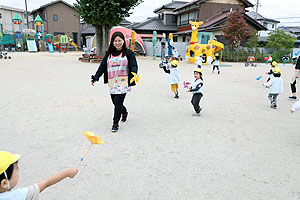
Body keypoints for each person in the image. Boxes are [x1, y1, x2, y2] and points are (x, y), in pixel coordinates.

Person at [91, 31, 138, 132]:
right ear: (112, 42)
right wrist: (96, 77)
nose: (117, 43)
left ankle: (115, 123)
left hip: (123, 82)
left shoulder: (128, 53)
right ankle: (124, 112)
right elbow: (102, 66)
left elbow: (134, 65)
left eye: (119, 40)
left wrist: (134, 74)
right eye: (115, 41)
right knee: (115, 102)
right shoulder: (109, 54)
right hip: (112, 82)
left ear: (123, 41)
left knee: (118, 102)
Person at [0, 151, 78, 199]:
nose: (18, 170)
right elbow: (45, 183)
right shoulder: (16, 197)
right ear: (4, 183)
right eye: (17, 168)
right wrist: (67, 173)